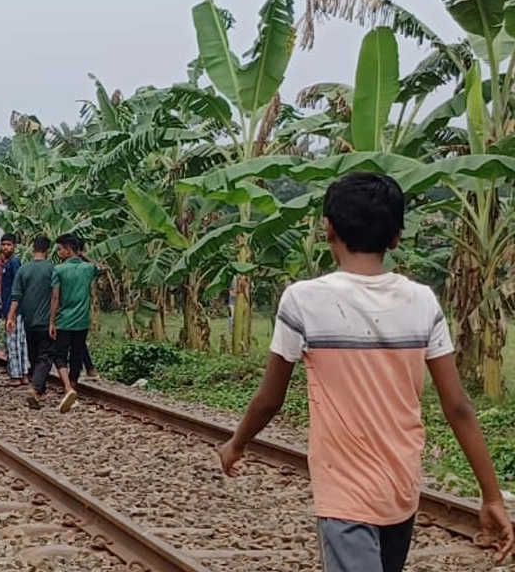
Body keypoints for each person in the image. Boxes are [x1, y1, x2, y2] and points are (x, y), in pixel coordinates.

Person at [217, 172, 513, 571]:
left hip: (344, 491)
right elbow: (458, 405)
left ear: (329, 229)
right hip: (402, 485)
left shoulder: (303, 301)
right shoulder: (422, 301)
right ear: (395, 237)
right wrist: (492, 496)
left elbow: (270, 400)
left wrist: (236, 444)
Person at [49, 234, 104, 389]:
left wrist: (51, 321)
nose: (59, 252)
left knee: (59, 355)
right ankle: (73, 385)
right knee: (76, 354)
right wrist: (83, 255)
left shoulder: (59, 269)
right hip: (82, 321)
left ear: (67, 250)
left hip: (64, 321)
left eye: (60, 249)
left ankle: (67, 387)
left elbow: (55, 298)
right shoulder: (88, 268)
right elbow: (101, 268)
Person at [7, 236, 54, 389]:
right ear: (47, 251)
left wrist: (10, 317)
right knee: (45, 357)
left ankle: (39, 389)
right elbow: (57, 296)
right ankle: (36, 388)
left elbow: (16, 296)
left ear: (33, 249)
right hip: (46, 321)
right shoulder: (52, 269)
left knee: (33, 355)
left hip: (28, 321)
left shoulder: (23, 269)